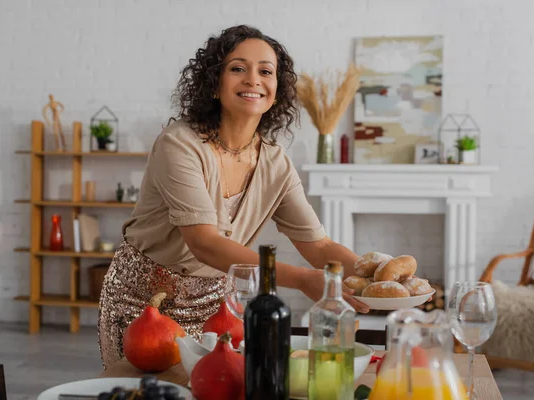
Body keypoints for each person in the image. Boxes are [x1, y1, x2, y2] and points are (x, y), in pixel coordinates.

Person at [98, 24, 370, 369]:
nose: (253, 79)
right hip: (144, 303)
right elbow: (205, 243)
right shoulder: (179, 144)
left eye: (266, 71)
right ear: (214, 83)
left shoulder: (275, 162)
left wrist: (375, 278)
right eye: (238, 68)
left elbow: (318, 246)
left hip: (216, 308)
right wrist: (302, 280)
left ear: (277, 89)